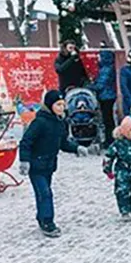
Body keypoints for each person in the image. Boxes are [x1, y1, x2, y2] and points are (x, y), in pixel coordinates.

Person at [18, 90, 88, 237]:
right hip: (36, 165)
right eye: (58, 104)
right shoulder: (40, 122)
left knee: (43, 194)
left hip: (49, 165)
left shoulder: (60, 123)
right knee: (45, 193)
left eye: (63, 104)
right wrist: (24, 161)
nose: (61, 107)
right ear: (50, 105)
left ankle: (42, 217)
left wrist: (77, 148)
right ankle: (48, 223)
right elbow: (26, 141)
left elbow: (63, 143)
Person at [91, 50, 118, 148]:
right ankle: (110, 138)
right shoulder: (108, 68)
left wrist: (91, 86)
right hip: (108, 95)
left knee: (108, 119)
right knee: (109, 119)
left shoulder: (106, 69)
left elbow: (101, 84)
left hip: (106, 96)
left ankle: (109, 140)